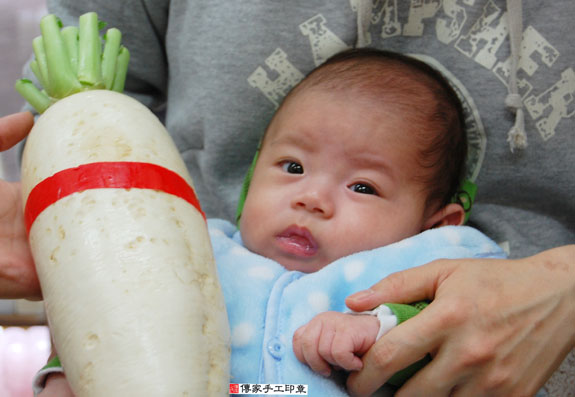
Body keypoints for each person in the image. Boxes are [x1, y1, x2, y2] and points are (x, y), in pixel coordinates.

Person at [0, 1, 573, 396]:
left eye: (363, 187)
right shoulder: (199, 251)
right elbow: (114, 334)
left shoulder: (425, 264)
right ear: (249, 185)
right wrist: (61, 373)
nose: (313, 199)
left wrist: (377, 327)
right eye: (292, 167)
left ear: (436, 223)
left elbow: (448, 329)